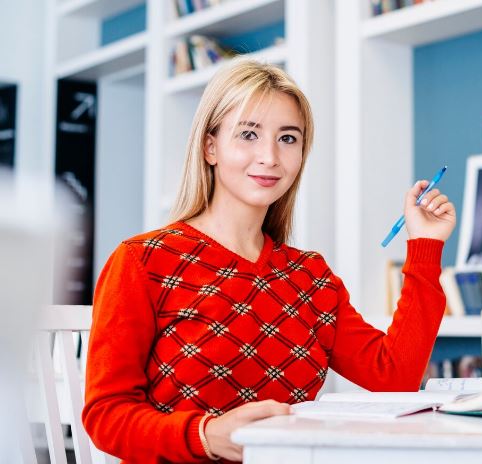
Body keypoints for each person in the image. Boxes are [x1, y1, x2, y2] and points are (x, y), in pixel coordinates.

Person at [82, 60, 456, 463]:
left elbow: (393, 377)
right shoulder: (143, 261)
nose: (270, 157)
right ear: (211, 146)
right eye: (248, 134)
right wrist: (206, 436)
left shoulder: (309, 276)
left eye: (288, 138)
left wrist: (425, 245)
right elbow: (106, 415)